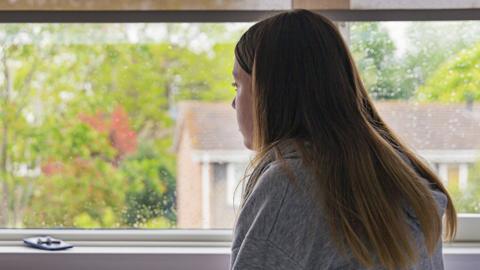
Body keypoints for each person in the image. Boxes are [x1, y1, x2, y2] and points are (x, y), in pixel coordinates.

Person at [229, 9, 456, 270]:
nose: (234, 103)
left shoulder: (288, 183)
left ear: (268, 92)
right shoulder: (401, 177)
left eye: (238, 85)